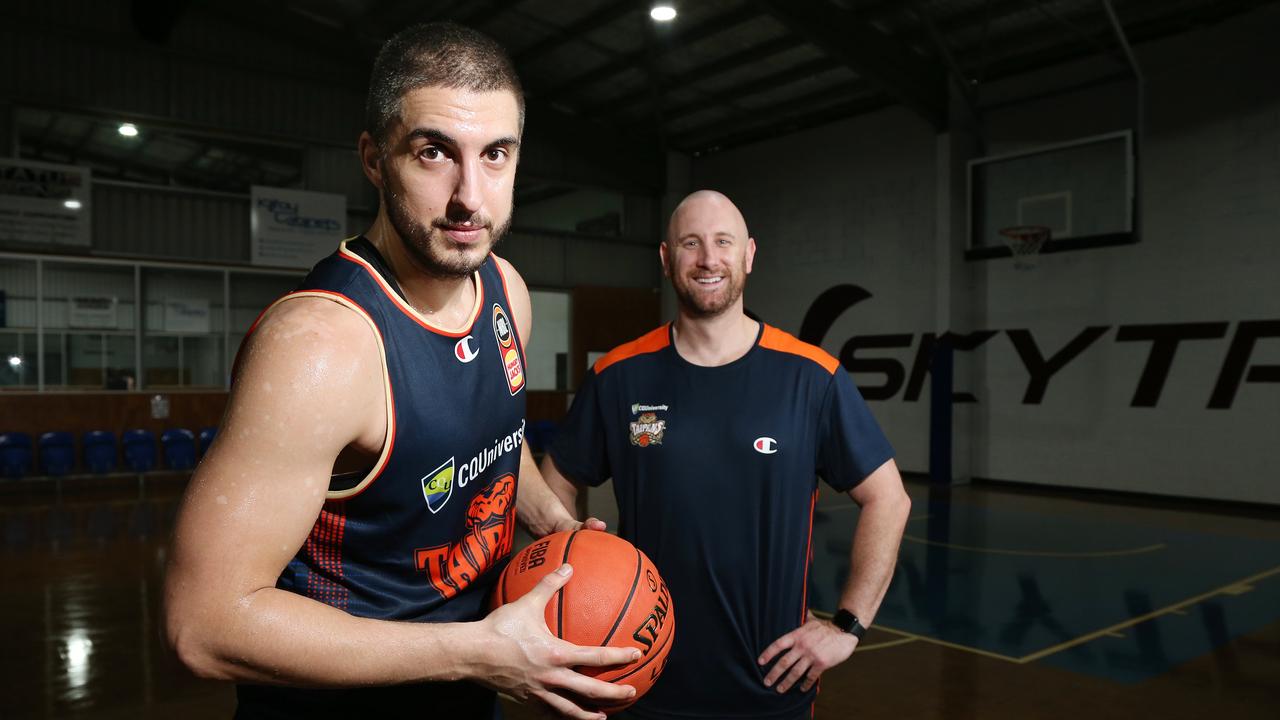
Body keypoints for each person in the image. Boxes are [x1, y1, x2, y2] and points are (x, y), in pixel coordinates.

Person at [163, 23, 636, 720]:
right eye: (434, 152)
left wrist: (556, 521)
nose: (470, 197)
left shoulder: (506, 289)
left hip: (476, 686)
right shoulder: (321, 346)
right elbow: (203, 626)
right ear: (375, 158)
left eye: (496, 154)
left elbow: (497, 442)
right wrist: (473, 650)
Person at [540, 190, 912, 720]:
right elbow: (557, 481)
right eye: (691, 244)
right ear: (667, 259)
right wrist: (573, 594)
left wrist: (848, 626)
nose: (709, 259)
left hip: (771, 689)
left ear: (749, 255)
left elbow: (889, 499)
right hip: (640, 680)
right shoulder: (618, 376)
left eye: (723, 243)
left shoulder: (811, 376)